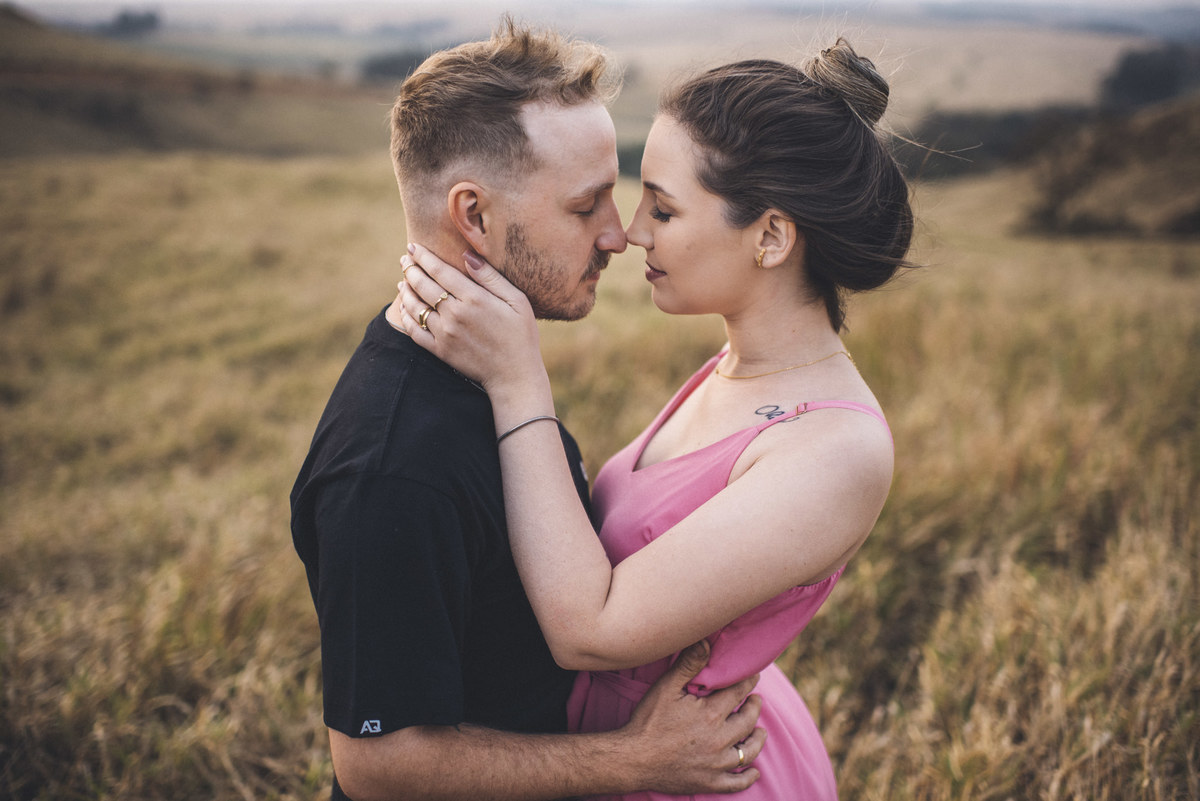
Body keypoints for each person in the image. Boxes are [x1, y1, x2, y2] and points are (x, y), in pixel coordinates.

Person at [395, 39, 916, 800]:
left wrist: (517, 380)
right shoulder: (734, 366)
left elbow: (592, 629)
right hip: (623, 750)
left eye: (664, 209)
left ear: (770, 237)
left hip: (696, 771)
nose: (631, 231)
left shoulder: (839, 449)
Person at [290, 20, 767, 801]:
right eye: (586, 207)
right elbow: (376, 763)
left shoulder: (489, 374)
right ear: (473, 216)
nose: (619, 235)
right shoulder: (390, 469)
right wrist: (634, 760)